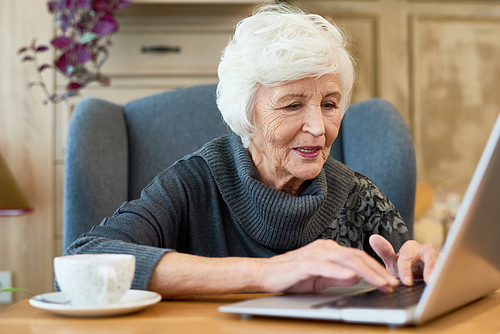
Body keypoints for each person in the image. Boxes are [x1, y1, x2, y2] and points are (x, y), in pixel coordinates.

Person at [64, 4, 439, 298]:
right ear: (248, 116)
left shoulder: (360, 198)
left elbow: (405, 284)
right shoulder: (193, 185)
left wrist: (419, 270)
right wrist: (266, 273)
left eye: (329, 103)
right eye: (292, 105)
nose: (319, 127)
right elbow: (86, 258)